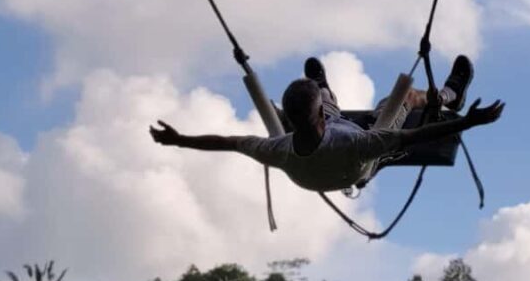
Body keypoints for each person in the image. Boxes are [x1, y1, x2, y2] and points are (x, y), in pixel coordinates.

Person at [150, 56, 504, 192]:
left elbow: (227, 141)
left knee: (329, 103)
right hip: (356, 169)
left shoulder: (278, 148)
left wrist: (180, 139)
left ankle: (321, 86)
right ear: (317, 116)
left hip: (312, 171)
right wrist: (467, 122)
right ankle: (448, 95)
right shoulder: (359, 145)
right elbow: (415, 134)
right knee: (405, 98)